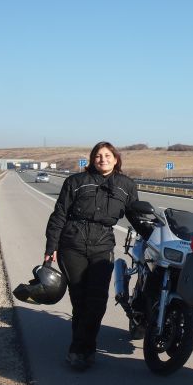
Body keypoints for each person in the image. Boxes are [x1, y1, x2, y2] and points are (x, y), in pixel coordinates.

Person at [44, 142, 139, 371]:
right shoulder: (75, 182)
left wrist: (157, 235)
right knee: (80, 300)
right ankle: (80, 351)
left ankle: (82, 348)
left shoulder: (126, 185)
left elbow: (137, 216)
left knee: (96, 302)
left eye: (107, 155)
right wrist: (50, 248)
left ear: (116, 159)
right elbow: (59, 215)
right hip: (72, 244)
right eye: (98, 156)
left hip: (102, 245)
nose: (103, 159)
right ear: (92, 159)